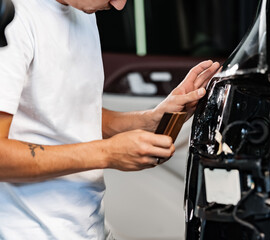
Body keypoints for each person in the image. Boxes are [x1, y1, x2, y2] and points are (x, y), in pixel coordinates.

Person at [0, 0, 220, 239]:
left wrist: (150, 119)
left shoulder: (83, 11)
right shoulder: (13, 18)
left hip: (88, 227)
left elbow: (69, 112)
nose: (118, 5)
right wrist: (107, 153)